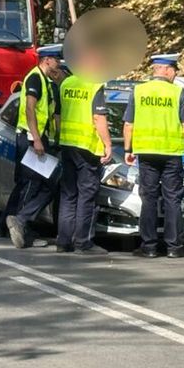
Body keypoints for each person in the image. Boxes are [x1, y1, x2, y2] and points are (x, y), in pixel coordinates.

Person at [123, 53, 184, 259]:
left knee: (148, 199)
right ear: (164, 69)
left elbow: (128, 124)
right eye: (174, 70)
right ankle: (174, 247)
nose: (175, 74)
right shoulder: (177, 93)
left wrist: (128, 150)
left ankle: (148, 247)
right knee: (172, 199)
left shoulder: (138, 91)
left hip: (146, 154)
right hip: (171, 154)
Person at [0, 44, 63, 247]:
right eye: (56, 60)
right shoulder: (35, 78)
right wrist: (36, 138)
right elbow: (29, 109)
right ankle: (20, 223)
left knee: (44, 183)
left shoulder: (45, 80)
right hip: (29, 138)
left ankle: (10, 223)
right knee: (32, 184)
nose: (58, 64)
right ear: (46, 60)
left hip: (37, 138)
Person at [56, 70, 113, 254]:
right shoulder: (94, 84)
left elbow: (57, 114)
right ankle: (83, 242)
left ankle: (63, 242)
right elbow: (98, 117)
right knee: (87, 196)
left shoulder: (66, 83)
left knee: (68, 195)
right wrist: (108, 144)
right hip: (87, 147)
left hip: (67, 144)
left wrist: (59, 137)